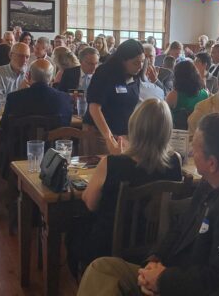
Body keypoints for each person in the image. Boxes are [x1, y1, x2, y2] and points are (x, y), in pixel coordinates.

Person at [77, 114, 219, 296]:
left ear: (212, 163)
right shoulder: (214, 181)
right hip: (177, 273)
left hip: (191, 287)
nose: (190, 151)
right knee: (103, 270)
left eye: (195, 148)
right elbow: (180, 228)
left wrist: (162, 281)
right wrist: (154, 260)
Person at [67, 99, 182, 277]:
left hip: (108, 246)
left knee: (73, 230)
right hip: (157, 247)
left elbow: (90, 203)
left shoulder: (112, 163)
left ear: (134, 126)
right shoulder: (175, 162)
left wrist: (119, 158)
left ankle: (87, 282)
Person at [82, 39, 144, 155]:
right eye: (136, 63)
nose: (140, 66)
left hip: (123, 135)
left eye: (142, 62)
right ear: (123, 61)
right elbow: (94, 108)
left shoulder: (135, 77)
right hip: (100, 132)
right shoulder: (105, 73)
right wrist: (109, 138)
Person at [0, 59, 72, 130]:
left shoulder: (14, 98)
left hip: (20, 138)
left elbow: (3, 124)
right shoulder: (65, 98)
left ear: (29, 76)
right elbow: (66, 124)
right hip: (54, 138)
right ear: (51, 79)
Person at [166, 60, 208, 129]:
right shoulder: (205, 94)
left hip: (178, 133)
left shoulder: (173, 95)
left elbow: (165, 117)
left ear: (177, 77)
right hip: (199, 132)